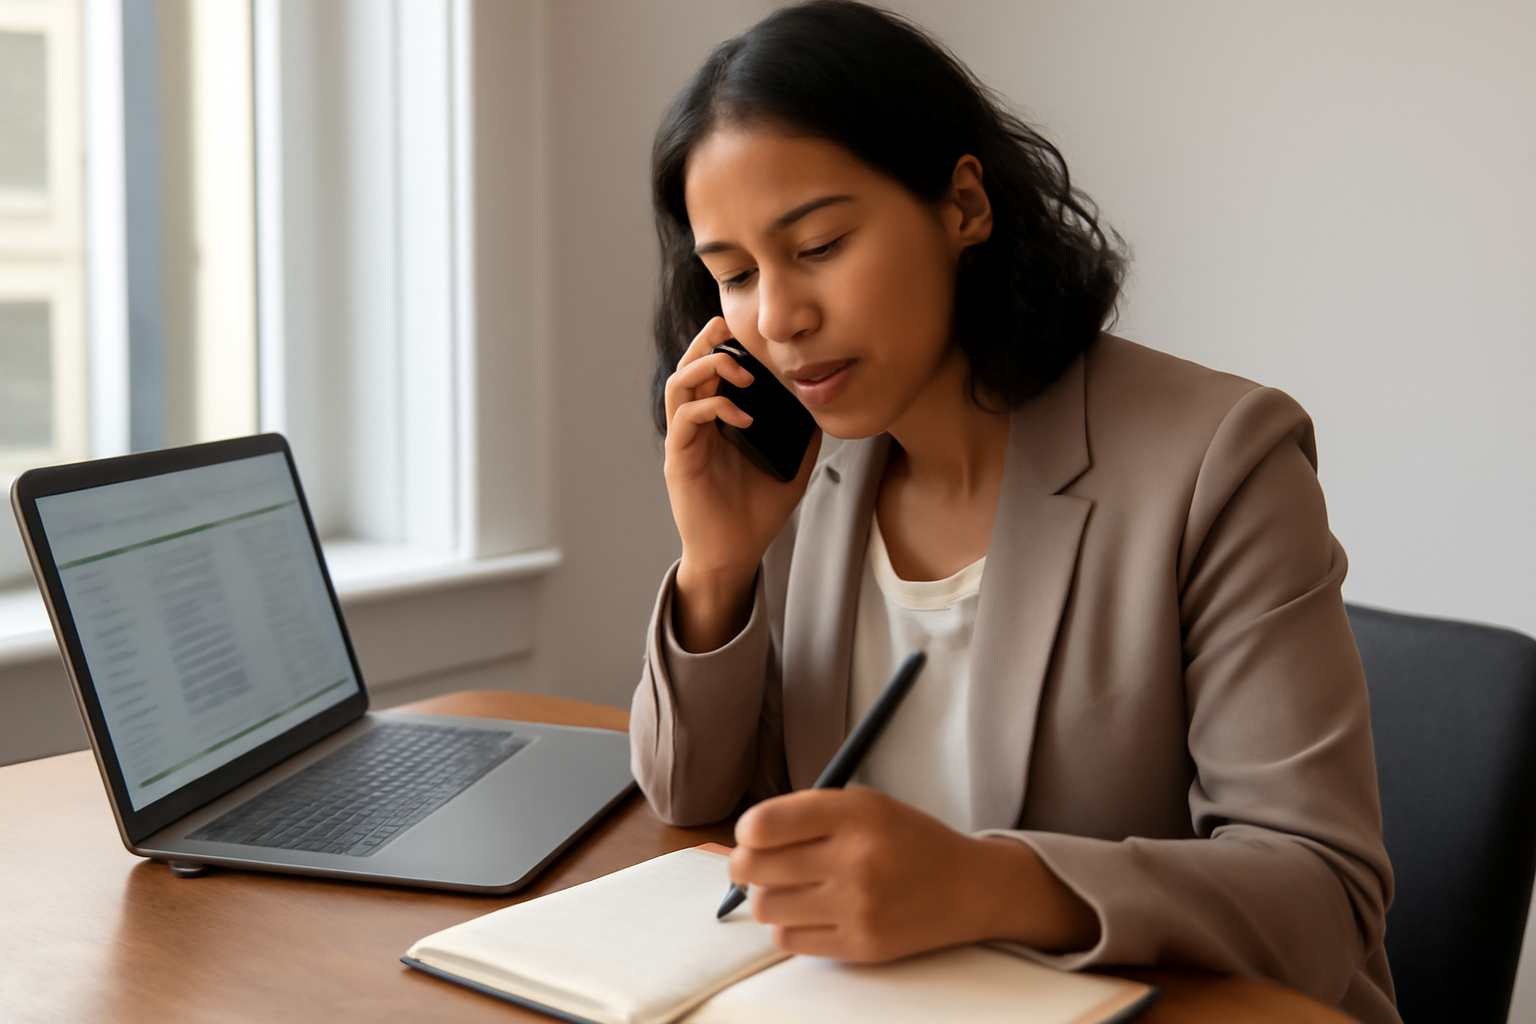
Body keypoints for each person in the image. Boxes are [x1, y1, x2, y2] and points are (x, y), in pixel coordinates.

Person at [629, 3, 1398, 1022]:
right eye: (732, 273)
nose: (777, 318)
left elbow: (1320, 899)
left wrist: (986, 884)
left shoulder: (1222, 460)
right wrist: (717, 570)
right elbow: (692, 804)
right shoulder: (810, 475)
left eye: (817, 244)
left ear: (962, 206)